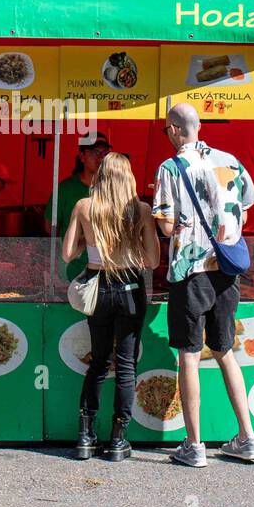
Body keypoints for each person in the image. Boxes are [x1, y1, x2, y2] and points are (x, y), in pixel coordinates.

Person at [153, 103, 254, 467]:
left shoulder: (169, 168)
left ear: (172, 130)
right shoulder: (231, 161)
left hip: (190, 271)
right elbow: (246, 211)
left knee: (189, 354)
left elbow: (166, 226)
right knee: (225, 349)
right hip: (227, 269)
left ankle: (194, 444)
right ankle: (248, 437)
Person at [61, 153, 159, 461]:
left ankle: (85, 437)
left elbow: (66, 254)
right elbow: (153, 261)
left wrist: (89, 245)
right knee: (126, 365)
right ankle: (118, 440)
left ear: (101, 177)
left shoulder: (84, 207)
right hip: (130, 288)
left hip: (98, 289)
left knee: (99, 362)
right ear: (128, 177)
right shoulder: (140, 210)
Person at [46, 132, 112, 281]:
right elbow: (50, 227)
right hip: (72, 270)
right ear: (82, 156)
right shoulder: (65, 189)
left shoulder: (113, 189)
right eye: (95, 152)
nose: (101, 157)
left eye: (105, 153)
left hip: (107, 270)